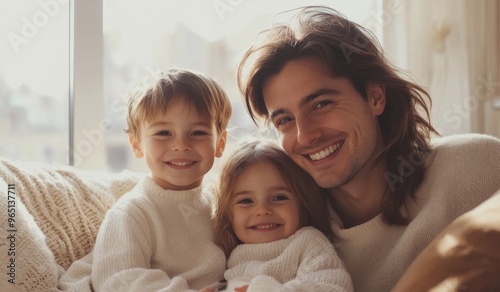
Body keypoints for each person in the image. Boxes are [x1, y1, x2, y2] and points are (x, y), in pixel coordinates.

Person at [237, 5, 500, 291]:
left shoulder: (478, 167)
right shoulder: (283, 231)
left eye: (321, 104)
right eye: (285, 120)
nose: (305, 135)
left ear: (374, 97)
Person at [90, 69, 232, 291]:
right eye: (163, 133)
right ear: (137, 144)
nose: (181, 145)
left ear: (220, 143)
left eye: (197, 133)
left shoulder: (222, 204)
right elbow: (117, 280)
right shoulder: (133, 213)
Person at [211, 138, 354, 292]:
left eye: (279, 198)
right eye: (246, 201)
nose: (262, 210)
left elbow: (334, 286)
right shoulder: (227, 257)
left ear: (302, 204)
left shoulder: (307, 243)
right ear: (227, 213)